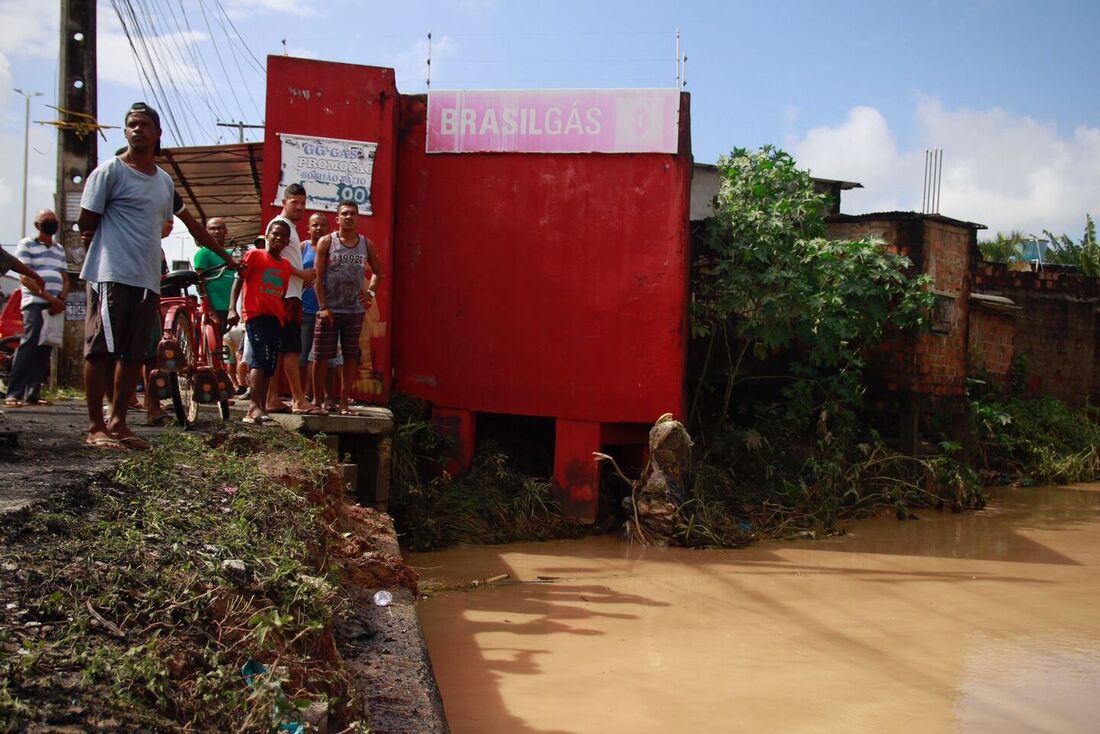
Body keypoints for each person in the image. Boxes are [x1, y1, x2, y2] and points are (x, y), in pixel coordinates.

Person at [78, 102, 240, 451]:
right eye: (131, 124)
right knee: (101, 350)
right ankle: (95, 426)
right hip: (111, 273)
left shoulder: (164, 182)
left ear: (157, 133)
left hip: (147, 277)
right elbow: (86, 224)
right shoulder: (110, 172)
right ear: (125, 131)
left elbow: (193, 225)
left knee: (134, 354)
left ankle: (119, 423)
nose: (137, 130)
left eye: (144, 125)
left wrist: (229, 256)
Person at [312, 199, 383, 415]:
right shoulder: (327, 242)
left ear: (358, 217)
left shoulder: (366, 244)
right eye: (345, 213)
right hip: (330, 310)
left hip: (354, 312)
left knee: (351, 356)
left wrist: (370, 293)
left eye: (353, 213)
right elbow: (317, 277)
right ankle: (318, 403)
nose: (349, 217)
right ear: (337, 218)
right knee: (322, 356)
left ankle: (343, 403)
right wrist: (323, 306)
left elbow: (379, 273)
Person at [4, 210, 69, 407]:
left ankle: (33, 393)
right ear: (37, 225)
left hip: (55, 306)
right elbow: (25, 277)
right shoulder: (27, 244)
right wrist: (49, 297)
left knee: (45, 348)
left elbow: (65, 278)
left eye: (54, 221)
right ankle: (13, 393)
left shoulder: (59, 249)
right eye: (47, 221)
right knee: (29, 345)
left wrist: (60, 299)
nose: (52, 224)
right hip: (35, 302)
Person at [265, 183, 318, 415]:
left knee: (280, 349)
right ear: (283, 202)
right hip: (287, 296)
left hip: (290, 293)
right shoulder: (282, 225)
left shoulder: (291, 228)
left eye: (303, 203)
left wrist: (301, 277)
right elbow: (273, 257)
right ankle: (298, 400)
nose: (299, 207)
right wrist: (302, 274)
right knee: (290, 350)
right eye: (294, 202)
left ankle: (272, 398)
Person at [237, 219, 292, 424]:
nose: (278, 238)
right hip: (255, 315)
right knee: (258, 359)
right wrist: (236, 309)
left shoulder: (285, 265)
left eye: (283, 236)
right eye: (275, 234)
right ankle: (253, 408)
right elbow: (240, 279)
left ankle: (262, 407)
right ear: (267, 235)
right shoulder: (255, 255)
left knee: (270, 363)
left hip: (276, 318)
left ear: (288, 242)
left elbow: (281, 293)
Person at [193, 217, 236, 339]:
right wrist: (210, 311)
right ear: (206, 232)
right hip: (214, 308)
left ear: (226, 231)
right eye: (213, 229)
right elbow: (199, 282)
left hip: (227, 308)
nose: (217, 231)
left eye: (220, 228)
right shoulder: (204, 253)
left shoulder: (229, 255)